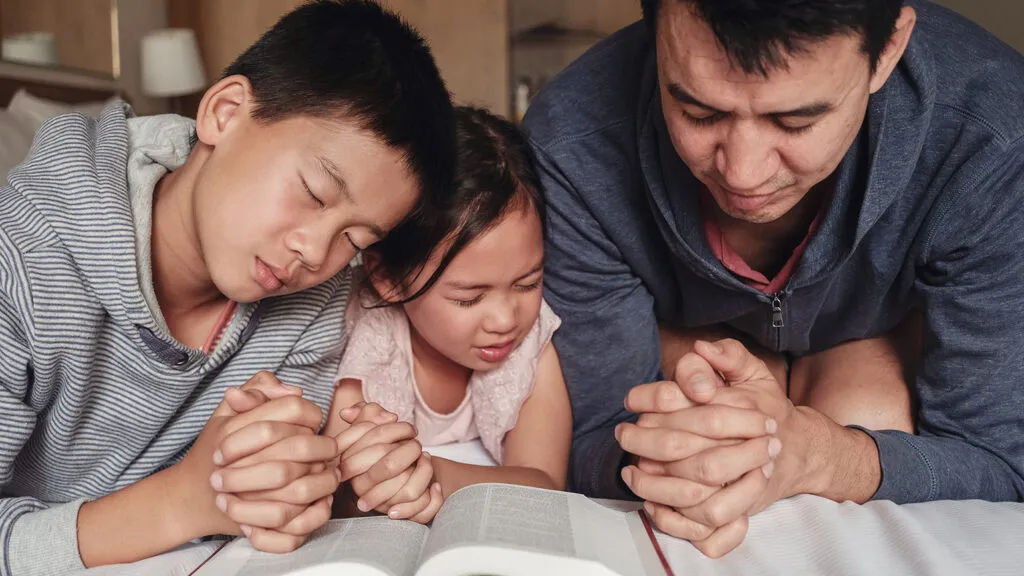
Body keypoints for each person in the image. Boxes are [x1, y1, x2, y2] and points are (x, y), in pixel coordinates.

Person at [522, 0, 1024, 557]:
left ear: (887, 50)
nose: (743, 174)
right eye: (699, 113)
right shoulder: (570, 143)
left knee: (869, 407)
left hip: (876, 345)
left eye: (796, 121)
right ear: (656, 36)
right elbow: (588, 439)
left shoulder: (993, 139)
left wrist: (822, 455)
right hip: (679, 348)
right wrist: (670, 458)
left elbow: (1001, 461)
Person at [0, 1, 455, 573]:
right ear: (225, 111)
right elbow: (206, 502)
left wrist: (340, 476)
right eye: (314, 193)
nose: (316, 252)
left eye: (356, 239)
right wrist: (182, 503)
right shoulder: (20, 261)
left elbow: (261, 497)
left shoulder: (316, 294)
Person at [322, 106, 571, 522]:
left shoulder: (530, 342)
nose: (506, 319)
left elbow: (544, 483)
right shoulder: (364, 342)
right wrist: (372, 481)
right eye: (469, 298)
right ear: (386, 277)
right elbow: (339, 486)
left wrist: (432, 474)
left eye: (528, 283)